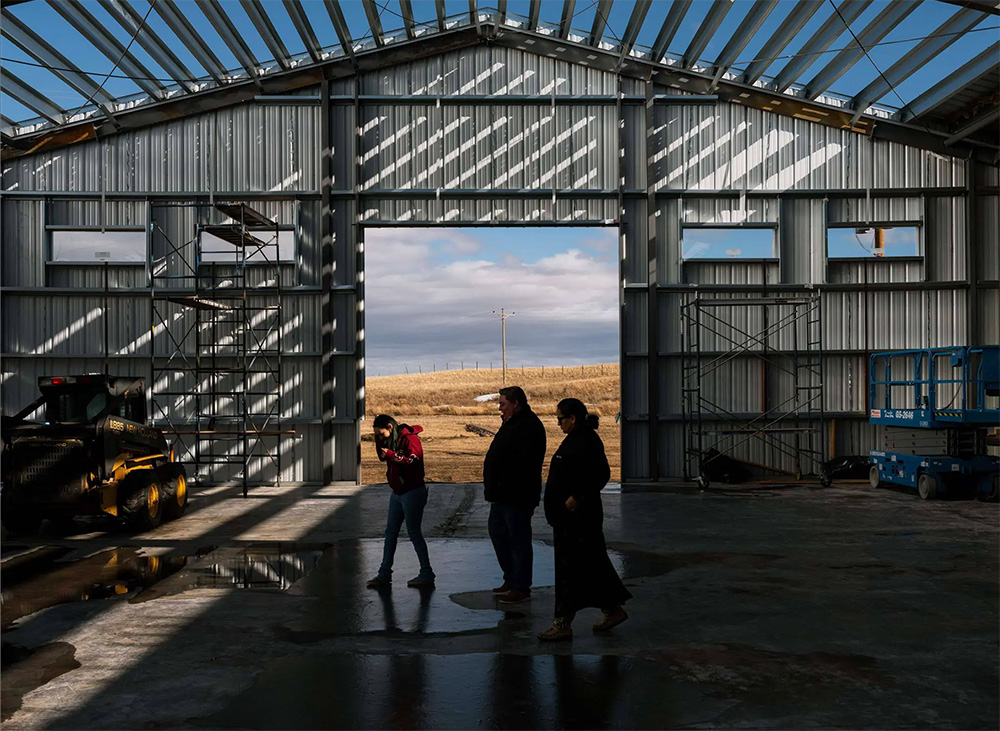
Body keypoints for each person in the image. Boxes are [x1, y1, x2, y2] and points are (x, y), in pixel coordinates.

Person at [538, 397, 632, 640]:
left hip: (579, 520)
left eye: (560, 419)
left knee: (572, 571)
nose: (558, 423)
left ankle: (562, 623)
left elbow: (601, 473)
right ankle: (612, 610)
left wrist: (578, 497)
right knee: (590, 565)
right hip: (568, 520)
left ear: (573, 418)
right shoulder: (575, 439)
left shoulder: (587, 440)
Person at [483, 385, 547, 604]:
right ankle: (511, 578)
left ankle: (521, 586)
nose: (500, 409)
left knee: (518, 540)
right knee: (498, 534)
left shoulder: (529, 426)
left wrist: (505, 483)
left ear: (516, 403)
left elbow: (524, 464)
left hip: (517, 496)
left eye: (503, 404)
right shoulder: (510, 423)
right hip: (502, 496)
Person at [366, 414, 435, 589]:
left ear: (390, 427)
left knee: (414, 533)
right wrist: (381, 445)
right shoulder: (390, 440)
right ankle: (384, 574)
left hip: (413, 491)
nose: (380, 438)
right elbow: (383, 458)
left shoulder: (410, 440)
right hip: (397, 492)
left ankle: (426, 573)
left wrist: (392, 455)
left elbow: (413, 461)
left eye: (381, 434)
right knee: (390, 533)